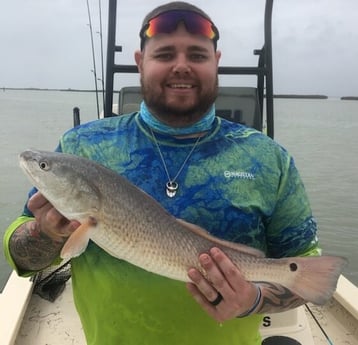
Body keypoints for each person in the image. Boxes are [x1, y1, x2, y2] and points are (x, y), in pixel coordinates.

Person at [3, 2, 320, 344]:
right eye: (165, 54)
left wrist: (253, 300)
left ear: (216, 62)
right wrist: (45, 231)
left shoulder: (268, 158)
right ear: (141, 62)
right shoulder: (81, 146)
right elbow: (23, 258)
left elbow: (308, 273)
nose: (181, 66)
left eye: (197, 55)